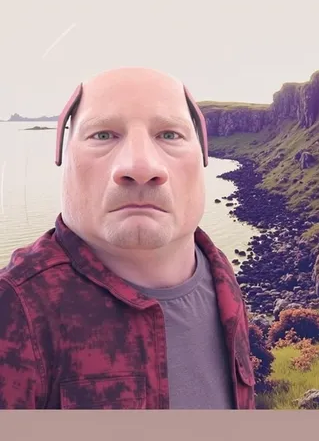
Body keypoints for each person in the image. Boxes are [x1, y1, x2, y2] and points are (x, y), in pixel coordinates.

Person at [0, 68, 256, 409]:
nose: (139, 165)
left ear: (202, 156)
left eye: (169, 134)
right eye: (103, 135)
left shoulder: (219, 271)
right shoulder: (15, 308)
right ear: (65, 158)